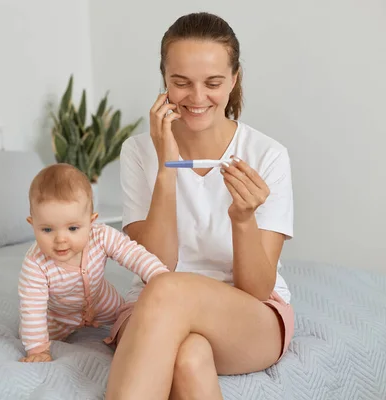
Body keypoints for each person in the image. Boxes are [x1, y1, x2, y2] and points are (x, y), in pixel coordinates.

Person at [104, 12, 295, 400]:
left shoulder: (268, 155)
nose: (196, 98)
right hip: (153, 307)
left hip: (247, 315)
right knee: (190, 356)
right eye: (180, 83)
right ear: (164, 81)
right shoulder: (139, 152)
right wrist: (166, 167)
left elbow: (258, 289)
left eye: (213, 83)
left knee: (169, 290)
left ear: (234, 80)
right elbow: (157, 264)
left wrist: (243, 219)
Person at [17, 163, 170, 363]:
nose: (60, 239)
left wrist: (159, 275)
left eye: (72, 228)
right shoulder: (35, 264)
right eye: (47, 230)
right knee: (31, 331)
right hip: (58, 317)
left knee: (129, 320)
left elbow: (133, 254)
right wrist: (37, 349)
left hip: (103, 301)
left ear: (91, 222)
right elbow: (32, 309)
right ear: (33, 224)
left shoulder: (101, 236)